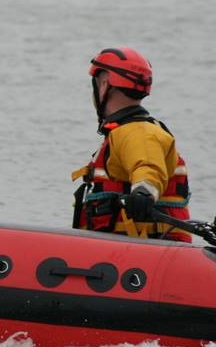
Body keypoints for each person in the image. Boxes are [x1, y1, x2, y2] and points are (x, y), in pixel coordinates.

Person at [71, 47, 191, 242]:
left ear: (104, 84)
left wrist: (144, 191)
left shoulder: (137, 132)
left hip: (145, 252)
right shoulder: (127, 132)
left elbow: (148, 166)